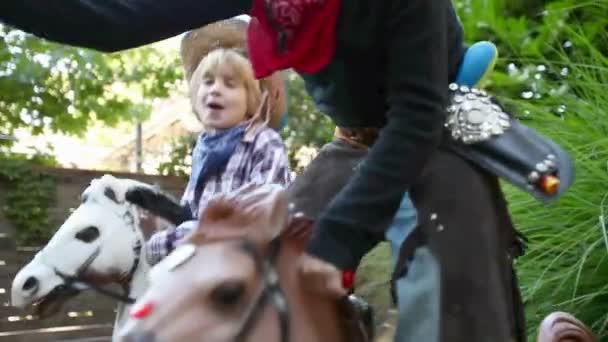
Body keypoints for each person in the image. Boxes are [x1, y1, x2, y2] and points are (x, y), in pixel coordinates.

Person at [1, 2, 575, 341]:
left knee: (452, 300)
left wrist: (334, 244)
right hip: (350, 145)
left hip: (430, 140)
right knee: (249, 272)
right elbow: (116, 18)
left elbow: (416, 117)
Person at [145, 18, 292, 265]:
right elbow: (189, 212)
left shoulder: (264, 142)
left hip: (251, 261)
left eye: (230, 84)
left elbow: (261, 209)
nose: (215, 89)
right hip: (204, 258)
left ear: (251, 100)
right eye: (208, 81)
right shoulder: (203, 149)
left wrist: (189, 235)